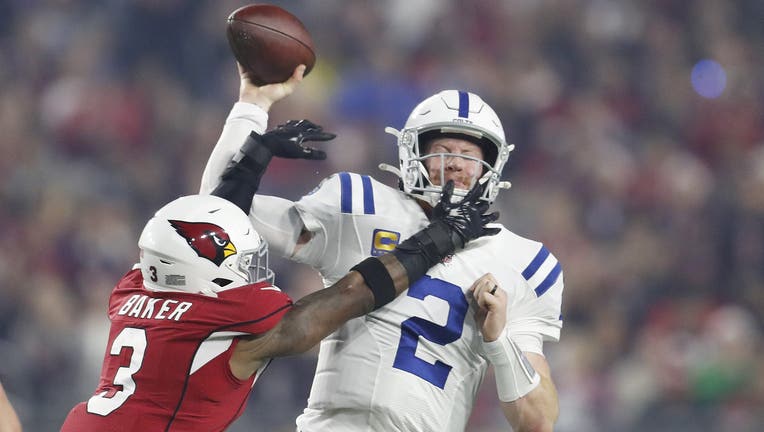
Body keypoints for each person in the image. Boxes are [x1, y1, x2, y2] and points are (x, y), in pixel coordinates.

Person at [60, 99, 499, 430]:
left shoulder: (132, 290)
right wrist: (437, 240)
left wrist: (252, 158)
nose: (245, 266)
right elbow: (351, 295)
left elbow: (207, 226)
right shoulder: (231, 314)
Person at [201, 65, 564, 431]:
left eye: (469, 154)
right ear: (412, 153)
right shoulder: (361, 204)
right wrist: (252, 108)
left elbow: (537, 422)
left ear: (491, 167)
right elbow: (214, 215)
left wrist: (499, 341)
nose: (455, 163)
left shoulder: (523, 261)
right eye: (442, 150)